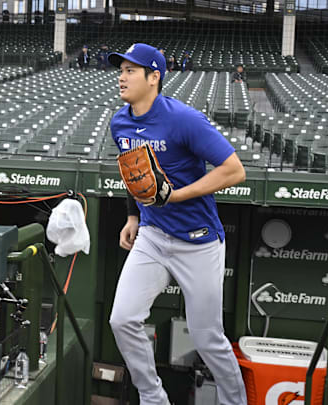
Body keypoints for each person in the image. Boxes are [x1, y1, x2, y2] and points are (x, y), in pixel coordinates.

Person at [107, 43, 247, 405]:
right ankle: (154, 399)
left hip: (198, 240)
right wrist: (133, 215)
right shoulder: (119, 122)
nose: (121, 77)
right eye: (120, 70)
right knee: (122, 320)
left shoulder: (184, 119)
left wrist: (177, 196)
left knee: (206, 338)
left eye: (130, 71)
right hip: (153, 236)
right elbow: (134, 172)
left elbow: (235, 171)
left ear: (154, 77)